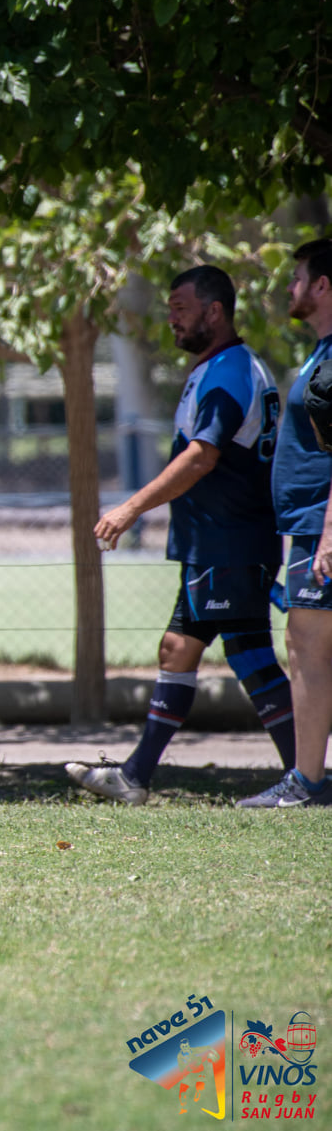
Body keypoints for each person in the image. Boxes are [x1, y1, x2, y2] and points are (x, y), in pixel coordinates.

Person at [69, 266, 292, 805]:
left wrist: (129, 508)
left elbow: (202, 456)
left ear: (214, 311)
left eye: (181, 308)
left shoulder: (229, 372)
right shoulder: (226, 366)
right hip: (223, 545)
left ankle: (138, 776)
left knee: (190, 648)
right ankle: (306, 775)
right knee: (244, 654)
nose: (171, 318)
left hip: (227, 543)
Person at [243, 239, 332, 808]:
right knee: (306, 644)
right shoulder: (320, 352)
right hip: (305, 526)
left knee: (306, 647)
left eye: (299, 277)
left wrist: (328, 535)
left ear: (324, 285)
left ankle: (306, 782)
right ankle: (307, 779)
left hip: (319, 528)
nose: (290, 287)